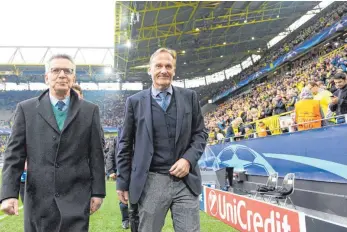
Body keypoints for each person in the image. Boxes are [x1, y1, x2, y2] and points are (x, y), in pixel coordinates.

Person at [0, 54, 106, 232]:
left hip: (76, 199)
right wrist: (9, 194)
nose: (62, 75)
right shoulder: (26, 109)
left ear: (73, 77)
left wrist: (98, 192)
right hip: (38, 201)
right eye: (56, 70)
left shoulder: (90, 110)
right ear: (46, 77)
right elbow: (14, 155)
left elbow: (96, 155)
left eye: (68, 71)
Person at [116, 47, 208, 232]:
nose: (163, 70)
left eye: (168, 66)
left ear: (174, 70)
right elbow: (125, 143)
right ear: (149, 70)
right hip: (151, 181)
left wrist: (187, 160)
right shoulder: (135, 102)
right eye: (158, 65)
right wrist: (122, 182)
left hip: (185, 181)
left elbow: (201, 133)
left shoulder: (189, 97)